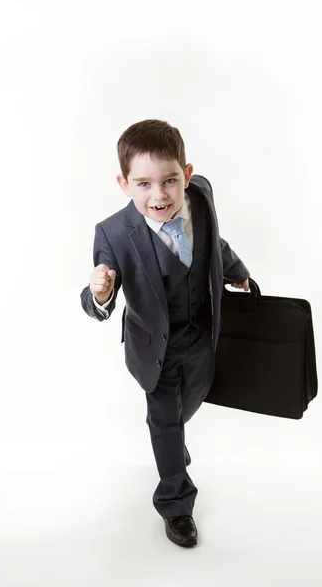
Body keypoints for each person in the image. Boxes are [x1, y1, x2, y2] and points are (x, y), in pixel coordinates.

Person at [80, 119, 250, 548]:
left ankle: (173, 441)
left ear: (187, 176)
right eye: (144, 184)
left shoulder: (202, 199)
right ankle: (176, 503)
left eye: (170, 181)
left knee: (188, 405)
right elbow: (99, 297)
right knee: (164, 422)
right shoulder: (113, 233)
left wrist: (238, 274)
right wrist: (98, 293)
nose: (159, 195)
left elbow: (216, 245)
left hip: (200, 337)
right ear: (124, 184)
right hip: (154, 347)